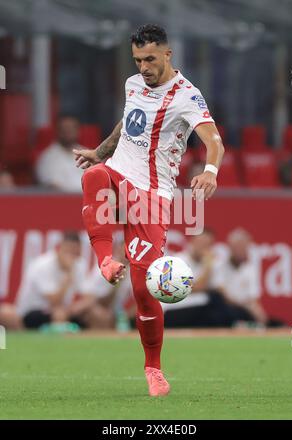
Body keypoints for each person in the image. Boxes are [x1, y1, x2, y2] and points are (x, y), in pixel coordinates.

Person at [73, 24, 224, 397]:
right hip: (120, 171)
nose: (144, 66)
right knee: (94, 176)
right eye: (138, 59)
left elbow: (213, 139)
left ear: (168, 55)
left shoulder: (188, 96)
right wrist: (101, 152)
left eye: (151, 59)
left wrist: (210, 170)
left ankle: (153, 369)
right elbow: (128, 122)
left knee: (143, 290)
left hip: (154, 196)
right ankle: (104, 260)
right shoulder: (133, 84)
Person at [15, 231, 112, 329]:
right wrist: (68, 275)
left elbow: (88, 295)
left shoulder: (79, 264)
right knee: (59, 314)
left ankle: (95, 343)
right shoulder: (42, 265)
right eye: (68, 252)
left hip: (63, 310)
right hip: (33, 312)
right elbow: (55, 301)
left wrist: (80, 306)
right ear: (58, 249)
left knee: (98, 314)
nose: (71, 257)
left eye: (75, 253)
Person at [35, 115, 83, 192]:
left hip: (89, 200)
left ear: (78, 131)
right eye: (65, 129)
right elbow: (52, 187)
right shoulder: (48, 157)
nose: (68, 132)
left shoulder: (87, 153)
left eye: (71, 129)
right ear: (58, 131)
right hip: (63, 201)